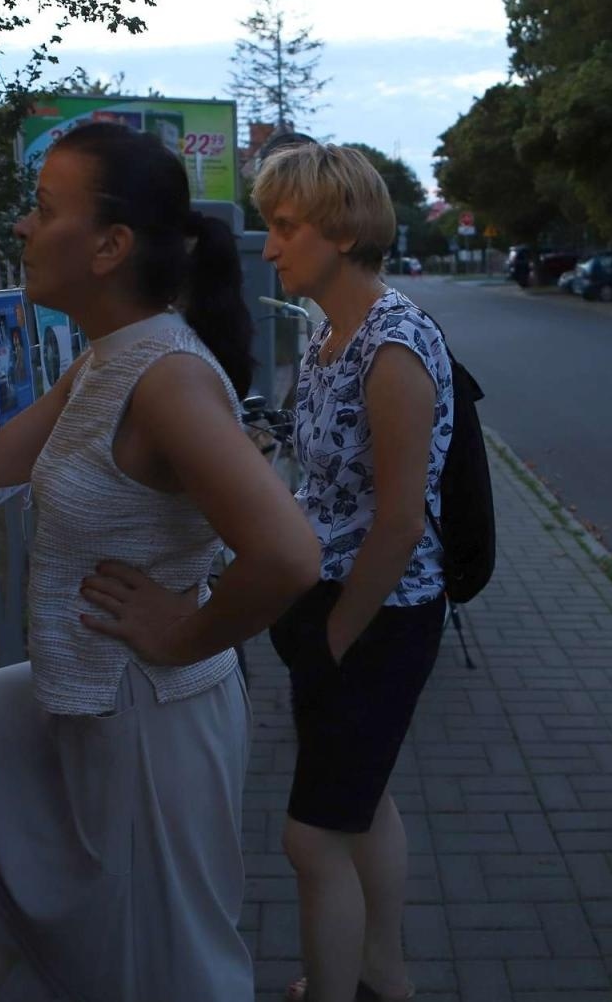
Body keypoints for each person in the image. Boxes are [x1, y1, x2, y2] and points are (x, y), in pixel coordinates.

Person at [0, 120, 321, 1000]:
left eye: (42, 210)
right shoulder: (109, 360)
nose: (21, 229)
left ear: (111, 245)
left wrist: (189, 632)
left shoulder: (166, 376)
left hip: (152, 727)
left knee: (173, 973)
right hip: (87, 704)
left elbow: (289, 554)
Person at [253, 141, 454, 1002]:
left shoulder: (393, 345)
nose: (270, 247)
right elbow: (330, 487)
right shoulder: (333, 334)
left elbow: (402, 522)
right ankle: (385, 976)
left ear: (339, 229)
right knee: (361, 802)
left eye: (285, 226)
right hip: (329, 605)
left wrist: (335, 637)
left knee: (311, 839)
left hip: (378, 618)